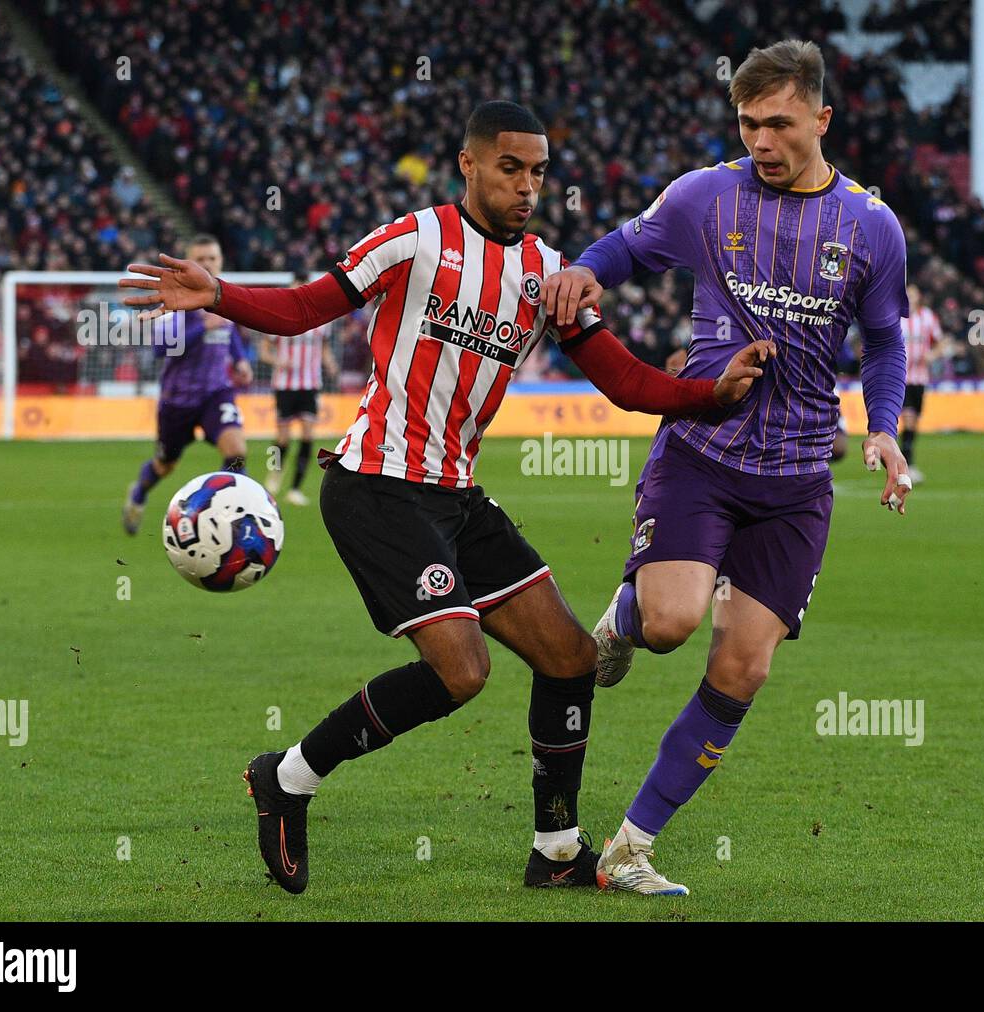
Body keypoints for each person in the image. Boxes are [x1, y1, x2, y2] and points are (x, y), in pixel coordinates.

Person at [121, 101, 773, 894]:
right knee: (461, 672)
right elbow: (306, 307)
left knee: (569, 657)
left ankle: (557, 853)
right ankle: (286, 777)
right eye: (510, 168)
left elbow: (626, 381)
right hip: (376, 487)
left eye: (537, 171)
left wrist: (711, 394)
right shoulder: (414, 239)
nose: (527, 185)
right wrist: (220, 294)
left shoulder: (546, 273)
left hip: (457, 498)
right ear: (468, 165)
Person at [541, 39, 913, 895]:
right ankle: (624, 620)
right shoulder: (708, 197)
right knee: (670, 623)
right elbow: (624, 248)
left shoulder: (870, 225)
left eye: (779, 123)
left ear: (821, 118)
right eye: (748, 124)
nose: (762, 142)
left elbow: (885, 339)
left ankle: (629, 848)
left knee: (742, 666)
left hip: (795, 482)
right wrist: (581, 276)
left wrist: (884, 428)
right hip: (703, 453)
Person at [122, 235, 252, 535]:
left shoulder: (225, 297)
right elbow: (159, 348)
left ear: (220, 261)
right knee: (165, 464)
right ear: (188, 265)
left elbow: (229, 334)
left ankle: (225, 515)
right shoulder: (174, 301)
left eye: (213, 258)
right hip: (177, 401)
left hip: (216, 394)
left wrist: (240, 360)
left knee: (236, 451)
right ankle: (138, 494)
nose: (207, 264)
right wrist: (200, 328)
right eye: (201, 259)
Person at [259, 272, 338, 506]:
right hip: (284, 385)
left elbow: (323, 348)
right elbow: (265, 351)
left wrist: (330, 362)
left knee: (307, 435)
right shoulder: (280, 317)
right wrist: (277, 361)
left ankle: (295, 488)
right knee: (282, 437)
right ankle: (273, 473)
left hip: (310, 383)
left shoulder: (320, 321)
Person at [900, 283, 943, 483]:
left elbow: (940, 342)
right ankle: (907, 466)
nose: (910, 298)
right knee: (908, 417)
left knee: (914, 421)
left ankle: (903, 461)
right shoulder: (896, 316)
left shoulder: (927, 317)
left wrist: (933, 354)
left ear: (919, 298)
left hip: (920, 377)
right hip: (900, 377)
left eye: (913, 295)